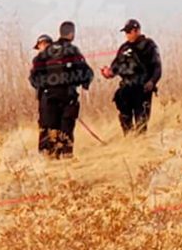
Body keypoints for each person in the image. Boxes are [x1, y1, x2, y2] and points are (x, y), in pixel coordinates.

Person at [29, 21, 94, 158]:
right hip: (67, 98)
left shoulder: (45, 53)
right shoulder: (72, 51)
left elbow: (34, 77)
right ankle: (65, 159)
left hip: (49, 99)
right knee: (65, 134)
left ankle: (49, 160)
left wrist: (45, 86)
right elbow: (87, 73)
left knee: (49, 132)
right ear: (72, 34)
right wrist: (83, 83)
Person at [100, 18, 161, 135]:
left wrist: (152, 82)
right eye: (126, 32)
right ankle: (129, 140)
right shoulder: (123, 48)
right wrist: (108, 73)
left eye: (129, 31)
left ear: (137, 30)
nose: (127, 35)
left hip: (142, 89)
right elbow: (114, 69)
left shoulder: (149, 45)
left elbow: (157, 68)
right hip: (126, 89)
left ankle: (140, 142)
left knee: (141, 122)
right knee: (125, 119)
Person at [29, 33, 53, 154]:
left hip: (59, 95)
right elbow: (33, 79)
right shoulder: (37, 61)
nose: (44, 46)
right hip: (45, 95)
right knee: (44, 123)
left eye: (46, 44)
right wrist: (44, 85)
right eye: (41, 44)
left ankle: (59, 150)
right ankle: (44, 151)